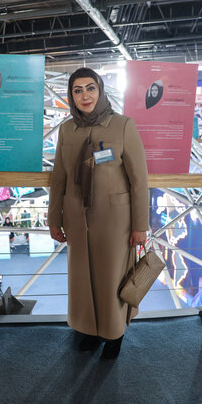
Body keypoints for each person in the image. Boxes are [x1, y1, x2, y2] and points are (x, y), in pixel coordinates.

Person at [48, 67, 149, 360]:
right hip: (77, 219)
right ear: (71, 95)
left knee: (111, 278)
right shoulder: (67, 129)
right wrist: (54, 218)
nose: (85, 96)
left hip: (116, 220)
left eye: (90, 88)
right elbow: (59, 178)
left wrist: (140, 224)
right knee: (83, 279)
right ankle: (91, 331)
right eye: (77, 90)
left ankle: (114, 334)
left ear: (101, 90)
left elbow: (139, 180)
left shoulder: (122, 125)